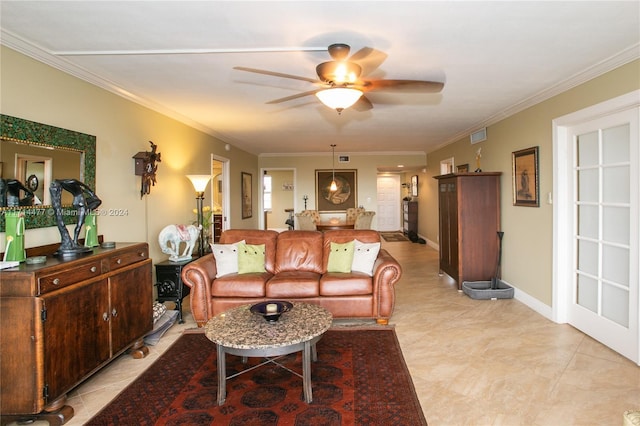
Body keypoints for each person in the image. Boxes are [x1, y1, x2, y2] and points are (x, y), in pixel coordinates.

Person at [49, 179, 102, 254]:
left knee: (79, 224)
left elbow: (79, 186)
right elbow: (81, 185)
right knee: (79, 225)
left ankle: (75, 241)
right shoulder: (74, 184)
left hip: (77, 201)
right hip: (81, 203)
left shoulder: (70, 186)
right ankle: (75, 240)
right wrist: (91, 192)